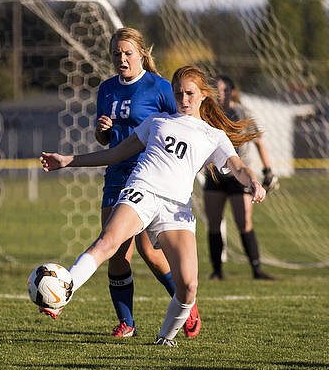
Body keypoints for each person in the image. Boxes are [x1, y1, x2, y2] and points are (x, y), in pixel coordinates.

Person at [40, 65, 266, 346]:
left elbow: (238, 166)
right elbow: (115, 154)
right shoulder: (157, 121)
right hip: (142, 192)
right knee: (107, 243)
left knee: (189, 286)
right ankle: (63, 295)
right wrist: (67, 161)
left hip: (177, 210)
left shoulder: (214, 136)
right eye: (178, 93)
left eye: (190, 93)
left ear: (204, 96)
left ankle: (165, 339)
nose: (183, 99)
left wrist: (253, 183)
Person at [94, 27, 199, 338]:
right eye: (116, 54)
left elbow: (183, 123)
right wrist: (103, 130)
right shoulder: (107, 89)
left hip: (151, 173)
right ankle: (127, 323)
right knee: (115, 251)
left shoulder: (160, 87)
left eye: (127, 53)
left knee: (149, 250)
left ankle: (185, 303)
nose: (122, 59)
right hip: (117, 173)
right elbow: (104, 140)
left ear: (141, 53)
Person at [203, 75, 276, 280]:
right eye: (217, 91)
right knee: (214, 222)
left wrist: (268, 170)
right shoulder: (208, 114)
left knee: (243, 221)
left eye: (225, 90)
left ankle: (256, 269)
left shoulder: (242, 113)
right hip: (216, 175)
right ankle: (217, 271)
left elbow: (259, 143)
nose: (221, 95)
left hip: (239, 175)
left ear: (233, 91)